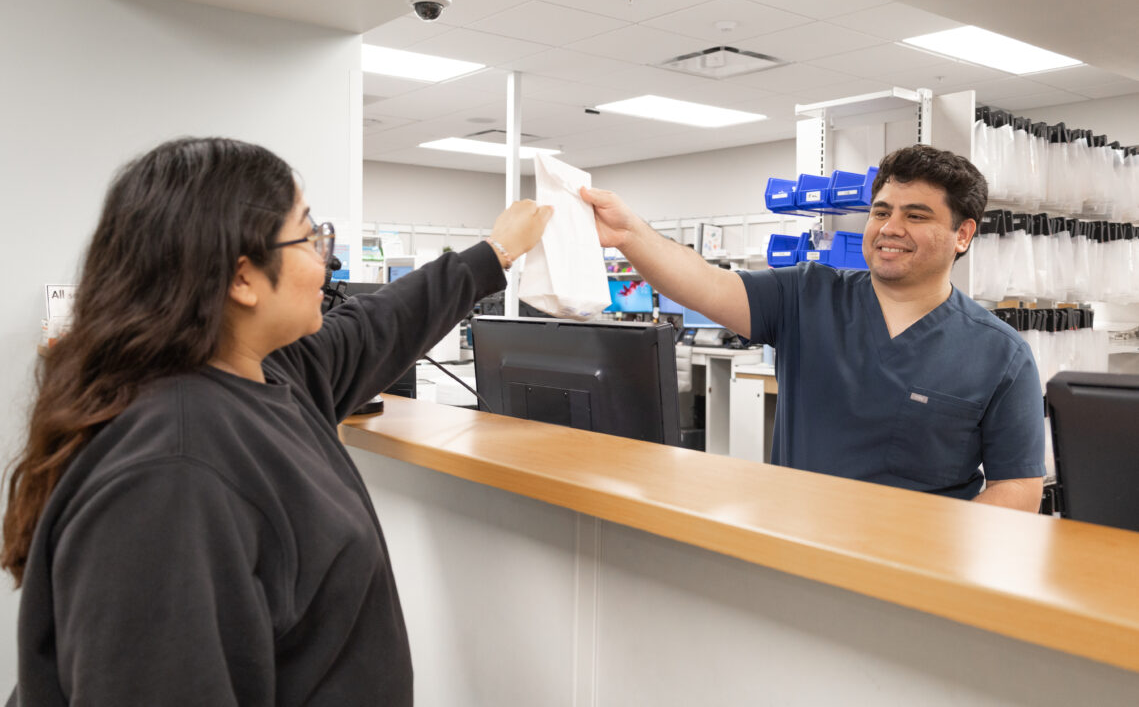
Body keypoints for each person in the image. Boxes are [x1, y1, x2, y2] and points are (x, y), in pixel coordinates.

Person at [1, 137, 552, 706]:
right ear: (241, 279)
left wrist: (495, 252)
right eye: (309, 235)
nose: (326, 259)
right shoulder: (171, 474)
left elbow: (378, 327)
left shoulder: (266, 374)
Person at [581, 144, 1045, 512]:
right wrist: (629, 235)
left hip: (916, 572)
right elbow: (705, 283)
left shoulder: (999, 353)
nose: (889, 227)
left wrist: (941, 548)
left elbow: (1019, 486)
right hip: (798, 545)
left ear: (963, 234)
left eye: (916, 215)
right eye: (881, 212)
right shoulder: (805, 296)